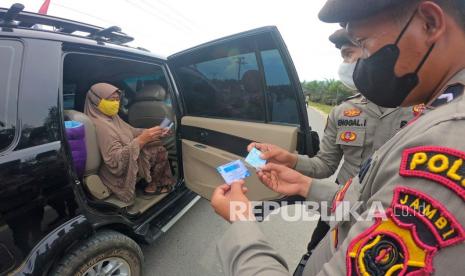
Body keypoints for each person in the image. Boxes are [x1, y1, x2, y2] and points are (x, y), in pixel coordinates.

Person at [211, 0, 465, 275]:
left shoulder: (448, 137)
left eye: (363, 44)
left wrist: (241, 223)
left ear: (430, 22)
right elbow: (360, 194)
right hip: (341, 220)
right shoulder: (431, 110)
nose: (359, 63)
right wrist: (305, 183)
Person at [84, 83, 175, 203]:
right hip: (113, 173)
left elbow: (131, 131)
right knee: (158, 150)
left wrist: (153, 132)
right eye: (111, 100)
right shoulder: (101, 126)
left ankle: (151, 181)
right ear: (96, 101)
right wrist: (142, 140)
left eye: (117, 99)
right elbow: (114, 162)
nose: (116, 103)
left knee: (155, 144)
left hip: (126, 154)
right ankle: (154, 186)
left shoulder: (111, 117)